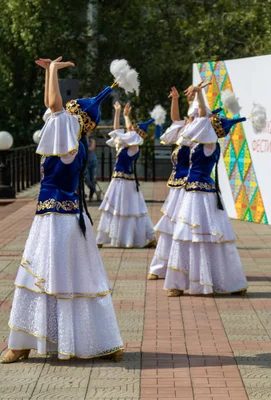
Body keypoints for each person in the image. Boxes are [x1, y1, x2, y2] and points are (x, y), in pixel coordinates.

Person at [1, 57, 124, 363]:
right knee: (75, 280)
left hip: (57, 220)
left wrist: (54, 71)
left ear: (77, 118)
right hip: (67, 218)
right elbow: (52, 105)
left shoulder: (68, 131)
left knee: (42, 276)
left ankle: (22, 345)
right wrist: (48, 73)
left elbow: (55, 106)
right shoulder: (73, 137)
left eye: (73, 107)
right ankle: (95, 342)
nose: (66, 106)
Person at [163, 84, 248, 296]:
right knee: (187, 235)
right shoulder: (199, 143)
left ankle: (213, 281)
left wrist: (200, 95)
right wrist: (194, 97)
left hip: (201, 196)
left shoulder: (210, 144)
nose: (201, 123)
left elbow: (201, 116)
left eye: (207, 122)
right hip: (193, 194)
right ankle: (180, 283)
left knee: (201, 237)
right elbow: (193, 119)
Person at [96, 102, 157, 248]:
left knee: (127, 210)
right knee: (115, 208)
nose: (131, 131)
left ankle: (131, 238)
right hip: (118, 180)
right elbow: (117, 130)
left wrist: (126, 115)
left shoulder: (134, 148)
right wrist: (117, 112)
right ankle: (103, 238)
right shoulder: (125, 145)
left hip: (125, 181)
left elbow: (129, 131)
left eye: (135, 131)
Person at [148, 86, 193, 280]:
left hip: (191, 187)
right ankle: (162, 265)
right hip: (177, 187)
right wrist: (175, 99)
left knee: (185, 225)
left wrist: (195, 99)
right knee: (169, 227)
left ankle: (186, 267)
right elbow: (176, 120)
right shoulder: (184, 128)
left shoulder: (202, 130)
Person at [85, 128, 99, 201]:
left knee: (93, 179)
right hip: (85, 162)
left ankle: (91, 196)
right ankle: (95, 191)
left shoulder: (92, 141)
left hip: (93, 161)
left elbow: (91, 148)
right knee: (86, 179)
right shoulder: (82, 140)